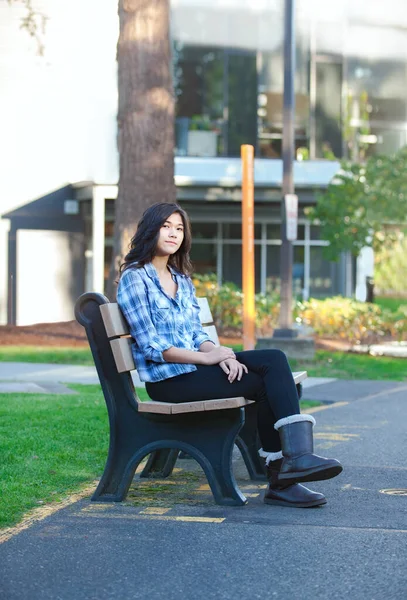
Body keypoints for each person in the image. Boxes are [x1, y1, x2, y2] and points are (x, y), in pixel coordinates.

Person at [117, 202, 343, 508]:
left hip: (194, 371)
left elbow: (198, 335)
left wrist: (219, 353)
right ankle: (285, 475)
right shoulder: (135, 278)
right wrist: (208, 359)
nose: (174, 233)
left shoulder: (180, 279)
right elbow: (152, 348)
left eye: (179, 228)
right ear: (151, 230)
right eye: (166, 226)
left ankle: (294, 464)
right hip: (169, 381)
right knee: (267, 378)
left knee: (274, 359)